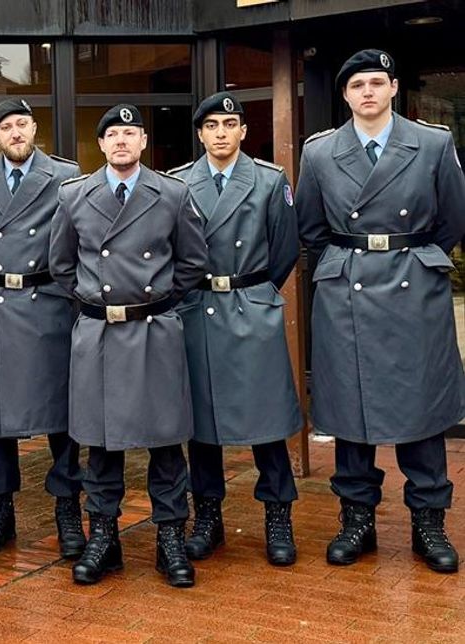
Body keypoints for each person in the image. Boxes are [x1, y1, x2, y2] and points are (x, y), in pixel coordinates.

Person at [297, 49, 465, 573]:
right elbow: (309, 228)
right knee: (351, 409)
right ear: (345, 95)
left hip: (414, 287)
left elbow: (453, 218)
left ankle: (428, 522)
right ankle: (356, 519)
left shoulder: (434, 143)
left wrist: (410, 255)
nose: (367, 92)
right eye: (357, 85)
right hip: (347, 288)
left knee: (422, 411)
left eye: (376, 82)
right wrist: (351, 264)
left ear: (393, 88)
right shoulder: (320, 153)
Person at [49, 104, 208, 587]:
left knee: (164, 444)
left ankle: (170, 540)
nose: (121, 141)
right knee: (100, 445)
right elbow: (61, 265)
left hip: (153, 330)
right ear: (100, 145)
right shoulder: (75, 196)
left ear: (143, 143)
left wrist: (155, 303)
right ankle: (103, 538)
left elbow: (192, 263)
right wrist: (94, 300)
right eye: (112, 134)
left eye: (130, 133)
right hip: (98, 332)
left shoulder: (173, 194)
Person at [168, 91, 302, 567]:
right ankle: (207, 517)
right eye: (212, 126)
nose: (221, 133)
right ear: (200, 133)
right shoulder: (179, 184)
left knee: (266, 422)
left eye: (230, 124)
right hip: (198, 308)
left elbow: (285, 251)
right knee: (202, 426)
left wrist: (254, 293)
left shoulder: (269, 181)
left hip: (251, 305)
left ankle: (278, 515)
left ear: (244, 131)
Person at [0, 98, 85, 558]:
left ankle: (67, 509)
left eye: (22, 124)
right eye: (6, 127)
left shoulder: (64, 175)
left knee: (62, 418)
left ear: (34, 128)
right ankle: (1, 511)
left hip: (50, 304)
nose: (15, 132)